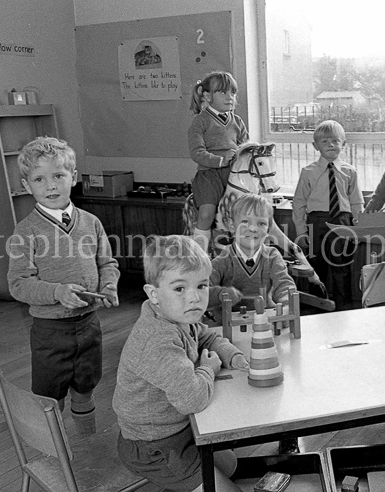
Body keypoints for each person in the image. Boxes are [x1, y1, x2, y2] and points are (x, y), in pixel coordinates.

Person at [113, 235, 248, 492]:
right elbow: (192, 400)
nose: (194, 298)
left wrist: (232, 355)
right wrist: (207, 369)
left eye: (201, 286)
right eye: (179, 288)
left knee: (229, 465)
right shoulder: (157, 341)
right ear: (153, 294)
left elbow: (205, 336)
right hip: (155, 447)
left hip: (180, 429)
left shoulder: (177, 316)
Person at [7, 136, 119, 437]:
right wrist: (56, 292)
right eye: (40, 179)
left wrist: (109, 287)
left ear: (73, 176)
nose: (51, 186)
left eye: (58, 175)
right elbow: (18, 284)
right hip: (50, 333)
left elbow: (107, 264)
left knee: (85, 387)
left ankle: (87, 446)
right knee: (49, 399)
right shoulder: (26, 231)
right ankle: (56, 453)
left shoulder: (91, 222)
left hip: (89, 327)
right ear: (27, 185)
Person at [207, 193, 300, 454]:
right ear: (231, 224)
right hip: (230, 335)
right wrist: (221, 294)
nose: (253, 228)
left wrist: (286, 297)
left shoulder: (272, 257)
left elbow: (283, 282)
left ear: (268, 228)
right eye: (245, 221)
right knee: (233, 386)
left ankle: (287, 434)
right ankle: (229, 435)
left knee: (280, 381)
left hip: (266, 329)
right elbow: (205, 288)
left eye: (261, 223)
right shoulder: (222, 261)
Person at [292, 120, 363, 310]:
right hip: (316, 222)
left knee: (342, 268)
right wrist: (301, 232)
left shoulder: (350, 171)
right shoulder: (308, 172)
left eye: (335, 141)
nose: (331, 145)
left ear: (343, 144)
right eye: (325, 142)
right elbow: (299, 203)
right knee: (316, 267)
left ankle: (343, 308)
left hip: (342, 222)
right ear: (316, 146)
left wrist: (358, 228)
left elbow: (356, 201)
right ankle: (318, 306)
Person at [188, 71, 249, 250]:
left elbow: (245, 148)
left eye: (233, 93)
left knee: (243, 215)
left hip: (233, 175)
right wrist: (221, 160)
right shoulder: (200, 122)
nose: (230, 97)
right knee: (206, 215)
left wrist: (240, 156)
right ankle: (199, 254)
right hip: (209, 175)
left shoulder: (237, 121)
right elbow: (197, 153)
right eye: (223, 92)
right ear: (207, 96)